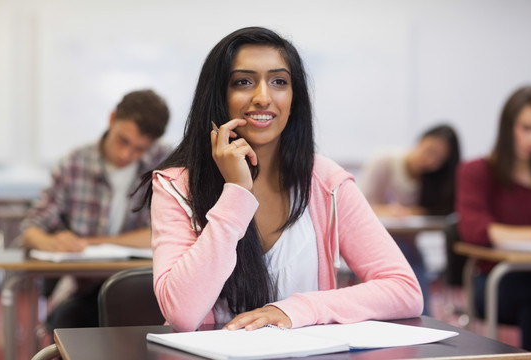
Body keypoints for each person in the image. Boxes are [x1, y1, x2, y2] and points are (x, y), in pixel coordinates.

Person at [138, 26, 423, 332]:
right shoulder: (175, 184)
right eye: (243, 82)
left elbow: (404, 290)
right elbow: (182, 314)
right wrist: (236, 192)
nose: (263, 97)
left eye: (279, 82)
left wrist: (298, 309)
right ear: (219, 95)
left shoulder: (326, 182)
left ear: (293, 97)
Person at [20, 88, 171, 330]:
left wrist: (91, 242)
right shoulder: (75, 164)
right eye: (123, 140)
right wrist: (51, 243)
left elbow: (166, 234)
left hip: (148, 288)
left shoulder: (166, 163)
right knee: (71, 323)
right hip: (85, 289)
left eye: (140, 149)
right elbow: (30, 230)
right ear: (112, 119)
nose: (127, 154)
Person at [456, 85, 531, 352]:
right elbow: (475, 230)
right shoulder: (477, 171)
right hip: (496, 280)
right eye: (527, 128)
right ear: (507, 126)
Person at [359, 124, 461, 315]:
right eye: (430, 151)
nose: (430, 161)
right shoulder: (385, 161)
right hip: (373, 244)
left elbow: (436, 212)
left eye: (438, 160)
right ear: (421, 140)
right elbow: (357, 205)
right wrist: (391, 212)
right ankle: (421, 320)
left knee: (412, 263)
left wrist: (410, 212)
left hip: (407, 246)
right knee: (410, 265)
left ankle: (422, 321)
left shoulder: (432, 180)